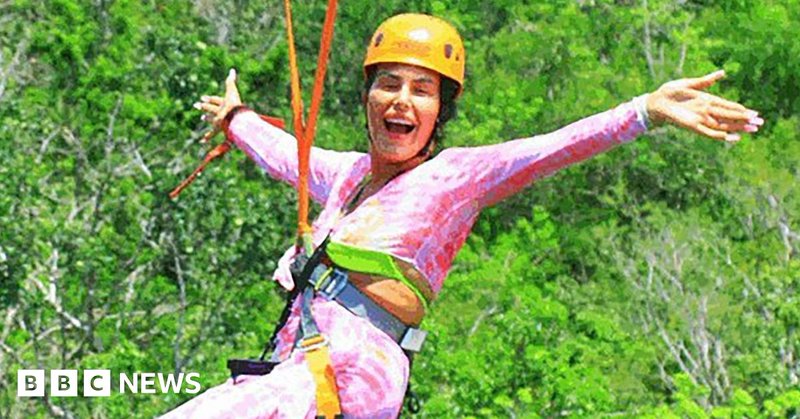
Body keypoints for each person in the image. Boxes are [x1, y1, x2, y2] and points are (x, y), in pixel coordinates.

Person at [163, 13, 762, 419]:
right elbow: (282, 155)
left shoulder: (454, 179)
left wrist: (644, 111)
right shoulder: (346, 178)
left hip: (352, 375)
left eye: (422, 90)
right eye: (389, 84)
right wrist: (237, 119)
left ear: (439, 110)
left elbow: (555, 146)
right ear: (368, 98)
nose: (402, 100)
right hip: (293, 372)